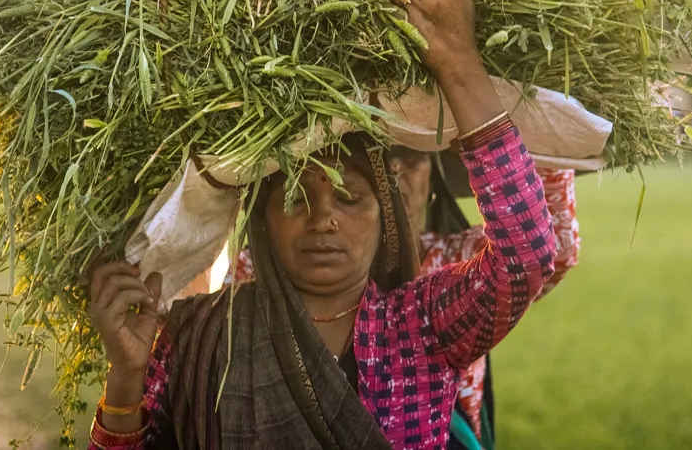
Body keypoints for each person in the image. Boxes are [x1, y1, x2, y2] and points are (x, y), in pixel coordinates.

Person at [86, 0, 559, 450]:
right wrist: (125, 376)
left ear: (387, 218)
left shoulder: (421, 326)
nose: (324, 218)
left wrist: (459, 62)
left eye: (350, 197)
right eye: (294, 197)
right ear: (261, 223)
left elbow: (526, 257)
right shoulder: (197, 336)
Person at [223, 157, 580, 450]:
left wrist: (528, 119)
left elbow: (543, 250)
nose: (394, 170)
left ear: (433, 176)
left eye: (410, 155)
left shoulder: (456, 259)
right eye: (377, 153)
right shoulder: (262, 267)